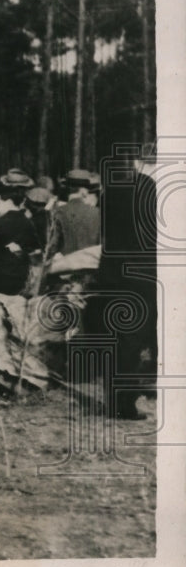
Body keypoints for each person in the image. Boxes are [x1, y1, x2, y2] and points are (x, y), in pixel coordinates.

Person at [92, 149, 157, 420]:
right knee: (136, 337)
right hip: (141, 273)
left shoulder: (108, 194)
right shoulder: (147, 187)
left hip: (112, 272)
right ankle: (125, 402)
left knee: (119, 336)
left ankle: (116, 396)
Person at [0, 184, 40, 297]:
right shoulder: (28, 222)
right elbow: (34, 248)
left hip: (1, 276)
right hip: (23, 274)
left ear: (8, 201)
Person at [47, 169, 101, 258]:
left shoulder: (58, 212)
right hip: (91, 267)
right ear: (84, 191)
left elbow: (52, 247)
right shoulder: (97, 213)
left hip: (67, 267)